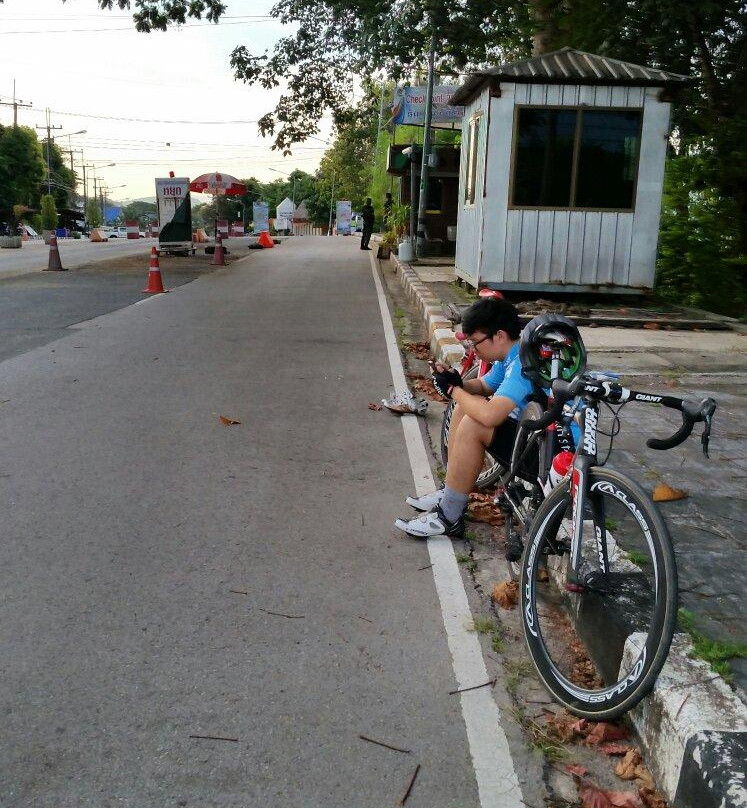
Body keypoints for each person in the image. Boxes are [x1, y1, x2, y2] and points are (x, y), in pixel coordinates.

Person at [395, 297, 538, 539]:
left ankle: (448, 517)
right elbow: (483, 385)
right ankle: (451, 490)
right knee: (465, 407)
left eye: (475, 342)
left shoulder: (521, 365)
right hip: (538, 442)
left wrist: (455, 391)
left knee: (475, 423)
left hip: (546, 459)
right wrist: (456, 381)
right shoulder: (512, 354)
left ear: (499, 336)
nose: (474, 350)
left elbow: (491, 416)